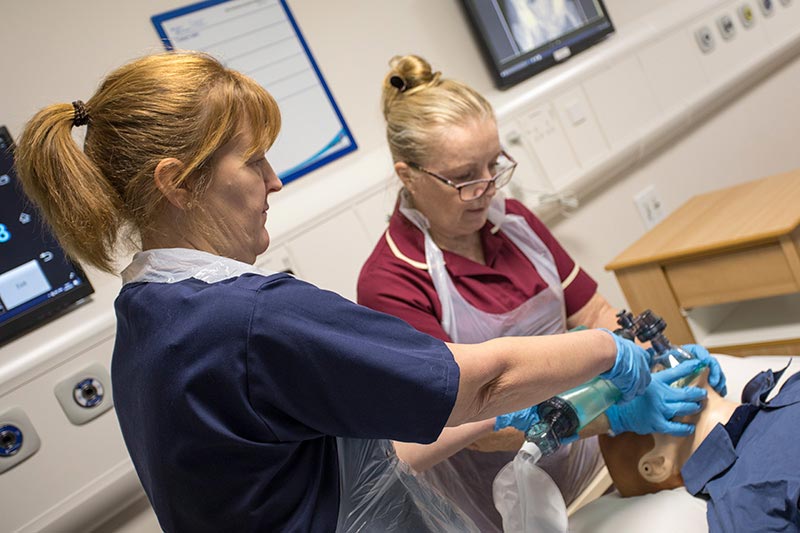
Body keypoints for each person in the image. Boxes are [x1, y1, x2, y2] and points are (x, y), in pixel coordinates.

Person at [14, 51, 656, 533]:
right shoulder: (252, 319)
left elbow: (355, 455)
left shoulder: (150, 318)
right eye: (254, 160)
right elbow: (475, 384)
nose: (275, 181)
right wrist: (611, 354)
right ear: (177, 183)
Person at [357, 54, 725, 531]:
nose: (488, 187)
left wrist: (659, 361)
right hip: (508, 501)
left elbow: (595, 311)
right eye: (466, 177)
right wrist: (612, 413)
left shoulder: (516, 226)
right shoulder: (391, 281)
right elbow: (467, 426)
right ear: (408, 176)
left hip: (597, 458)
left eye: (494, 164)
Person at [595, 358, 800, 533]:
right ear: (657, 465)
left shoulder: (789, 387)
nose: (657, 367)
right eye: (634, 392)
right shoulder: (745, 504)